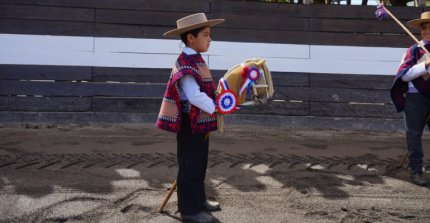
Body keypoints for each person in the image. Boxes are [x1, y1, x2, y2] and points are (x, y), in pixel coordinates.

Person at [156, 13, 224, 222]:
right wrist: (216, 107)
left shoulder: (195, 59)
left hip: (199, 122)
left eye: (209, 34)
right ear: (191, 38)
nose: (209, 39)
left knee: (199, 163)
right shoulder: (185, 63)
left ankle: (199, 200)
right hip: (190, 123)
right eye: (205, 34)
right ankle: (189, 210)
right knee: (190, 165)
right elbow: (194, 96)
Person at [391, 11, 430, 187]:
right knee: (414, 134)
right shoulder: (414, 50)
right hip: (416, 98)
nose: (427, 32)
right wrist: (425, 65)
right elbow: (404, 75)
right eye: (424, 28)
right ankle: (416, 171)